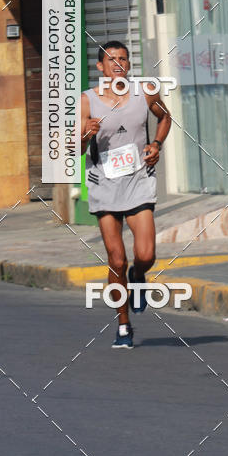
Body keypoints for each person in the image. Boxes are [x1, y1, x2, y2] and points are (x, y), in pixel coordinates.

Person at [80, 41, 171, 349]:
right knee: (116, 259)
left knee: (146, 255)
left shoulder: (144, 92)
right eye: (111, 59)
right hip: (104, 184)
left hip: (138, 181)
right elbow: (75, 150)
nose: (117, 63)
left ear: (128, 65)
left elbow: (166, 117)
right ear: (100, 68)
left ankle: (139, 274)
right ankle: (123, 325)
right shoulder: (87, 101)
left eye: (122, 59)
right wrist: (85, 133)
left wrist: (156, 144)